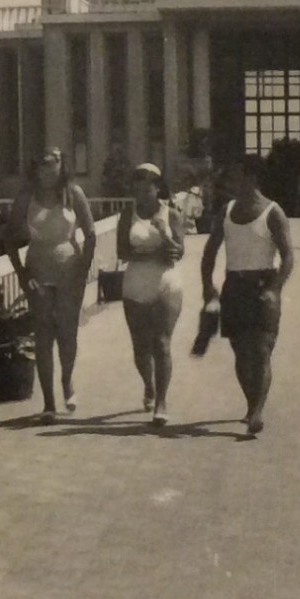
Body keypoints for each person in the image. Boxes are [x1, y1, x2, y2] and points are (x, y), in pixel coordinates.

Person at [201, 155, 295, 436]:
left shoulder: (273, 213)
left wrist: (275, 288)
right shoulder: (226, 212)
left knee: (262, 351)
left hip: (263, 285)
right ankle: (252, 403)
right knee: (241, 354)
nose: (231, 182)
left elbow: (288, 256)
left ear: (252, 178)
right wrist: (208, 285)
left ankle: (257, 411)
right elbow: (210, 252)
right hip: (234, 287)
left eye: (236, 176)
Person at [6, 147, 96, 422]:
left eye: (53, 164)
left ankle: (67, 381)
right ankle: (48, 403)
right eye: (43, 164)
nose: (48, 170)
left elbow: (91, 233)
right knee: (43, 336)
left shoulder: (73, 193)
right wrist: (21, 273)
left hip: (70, 270)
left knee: (67, 334)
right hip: (38, 268)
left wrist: (83, 267)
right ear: (36, 168)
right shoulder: (26, 197)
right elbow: (9, 238)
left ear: (61, 166)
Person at [117, 163, 185, 426]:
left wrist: (163, 234)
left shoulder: (172, 214)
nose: (142, 194)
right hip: (135, 285)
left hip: (166, 284)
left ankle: (161, 402)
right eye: (138, 189)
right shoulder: (127, 214)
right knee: (140, 347)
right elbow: (122, 252)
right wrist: (153, 254)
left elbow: (179, 252)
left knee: (161, 343)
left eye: (148, 189)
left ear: (158, 188)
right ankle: (149, 385)